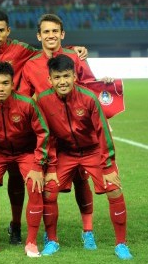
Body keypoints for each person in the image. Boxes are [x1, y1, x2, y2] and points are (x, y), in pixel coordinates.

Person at [0, 9, 89, 245]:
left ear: (8, 31)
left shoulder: (21, 50)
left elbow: (50, 48)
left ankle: (17, 225)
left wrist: (73, 50)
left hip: (18, 124)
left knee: (19, 180)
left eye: (1, 30)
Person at [20, 13, 106, 250]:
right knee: (50, 188)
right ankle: (50, 237)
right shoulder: (29, 65)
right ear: (39, 36)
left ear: (62, 34)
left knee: (82, 182)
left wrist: (104, 84)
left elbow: (89, 85)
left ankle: (87, 231)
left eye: (54, 31)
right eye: (46, 32)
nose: (50, 35)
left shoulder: (73, 57)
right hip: (51, 137)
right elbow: (24, 99)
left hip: (80, 132)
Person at [36, 54, 133, 260]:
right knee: (49, 191)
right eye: (57, 77)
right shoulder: (43, 100)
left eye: (66, 76)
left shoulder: (88, 98)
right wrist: (51, 168)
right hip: (65, 154)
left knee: (114, 190)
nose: (62, 81)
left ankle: (121, 244)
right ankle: (52, 240)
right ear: (50, 80)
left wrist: (108, 167)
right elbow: (47, 136)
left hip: (92, 152)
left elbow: (103, 133)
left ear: (74, 77)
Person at [0, 62, 49, 257]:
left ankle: (31, 242)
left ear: (13, 84)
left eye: (5, 83)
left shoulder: (27, 104)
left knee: (34, 185)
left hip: (26, 152)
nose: (0, 88)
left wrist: (38, 165)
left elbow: (43, 133)